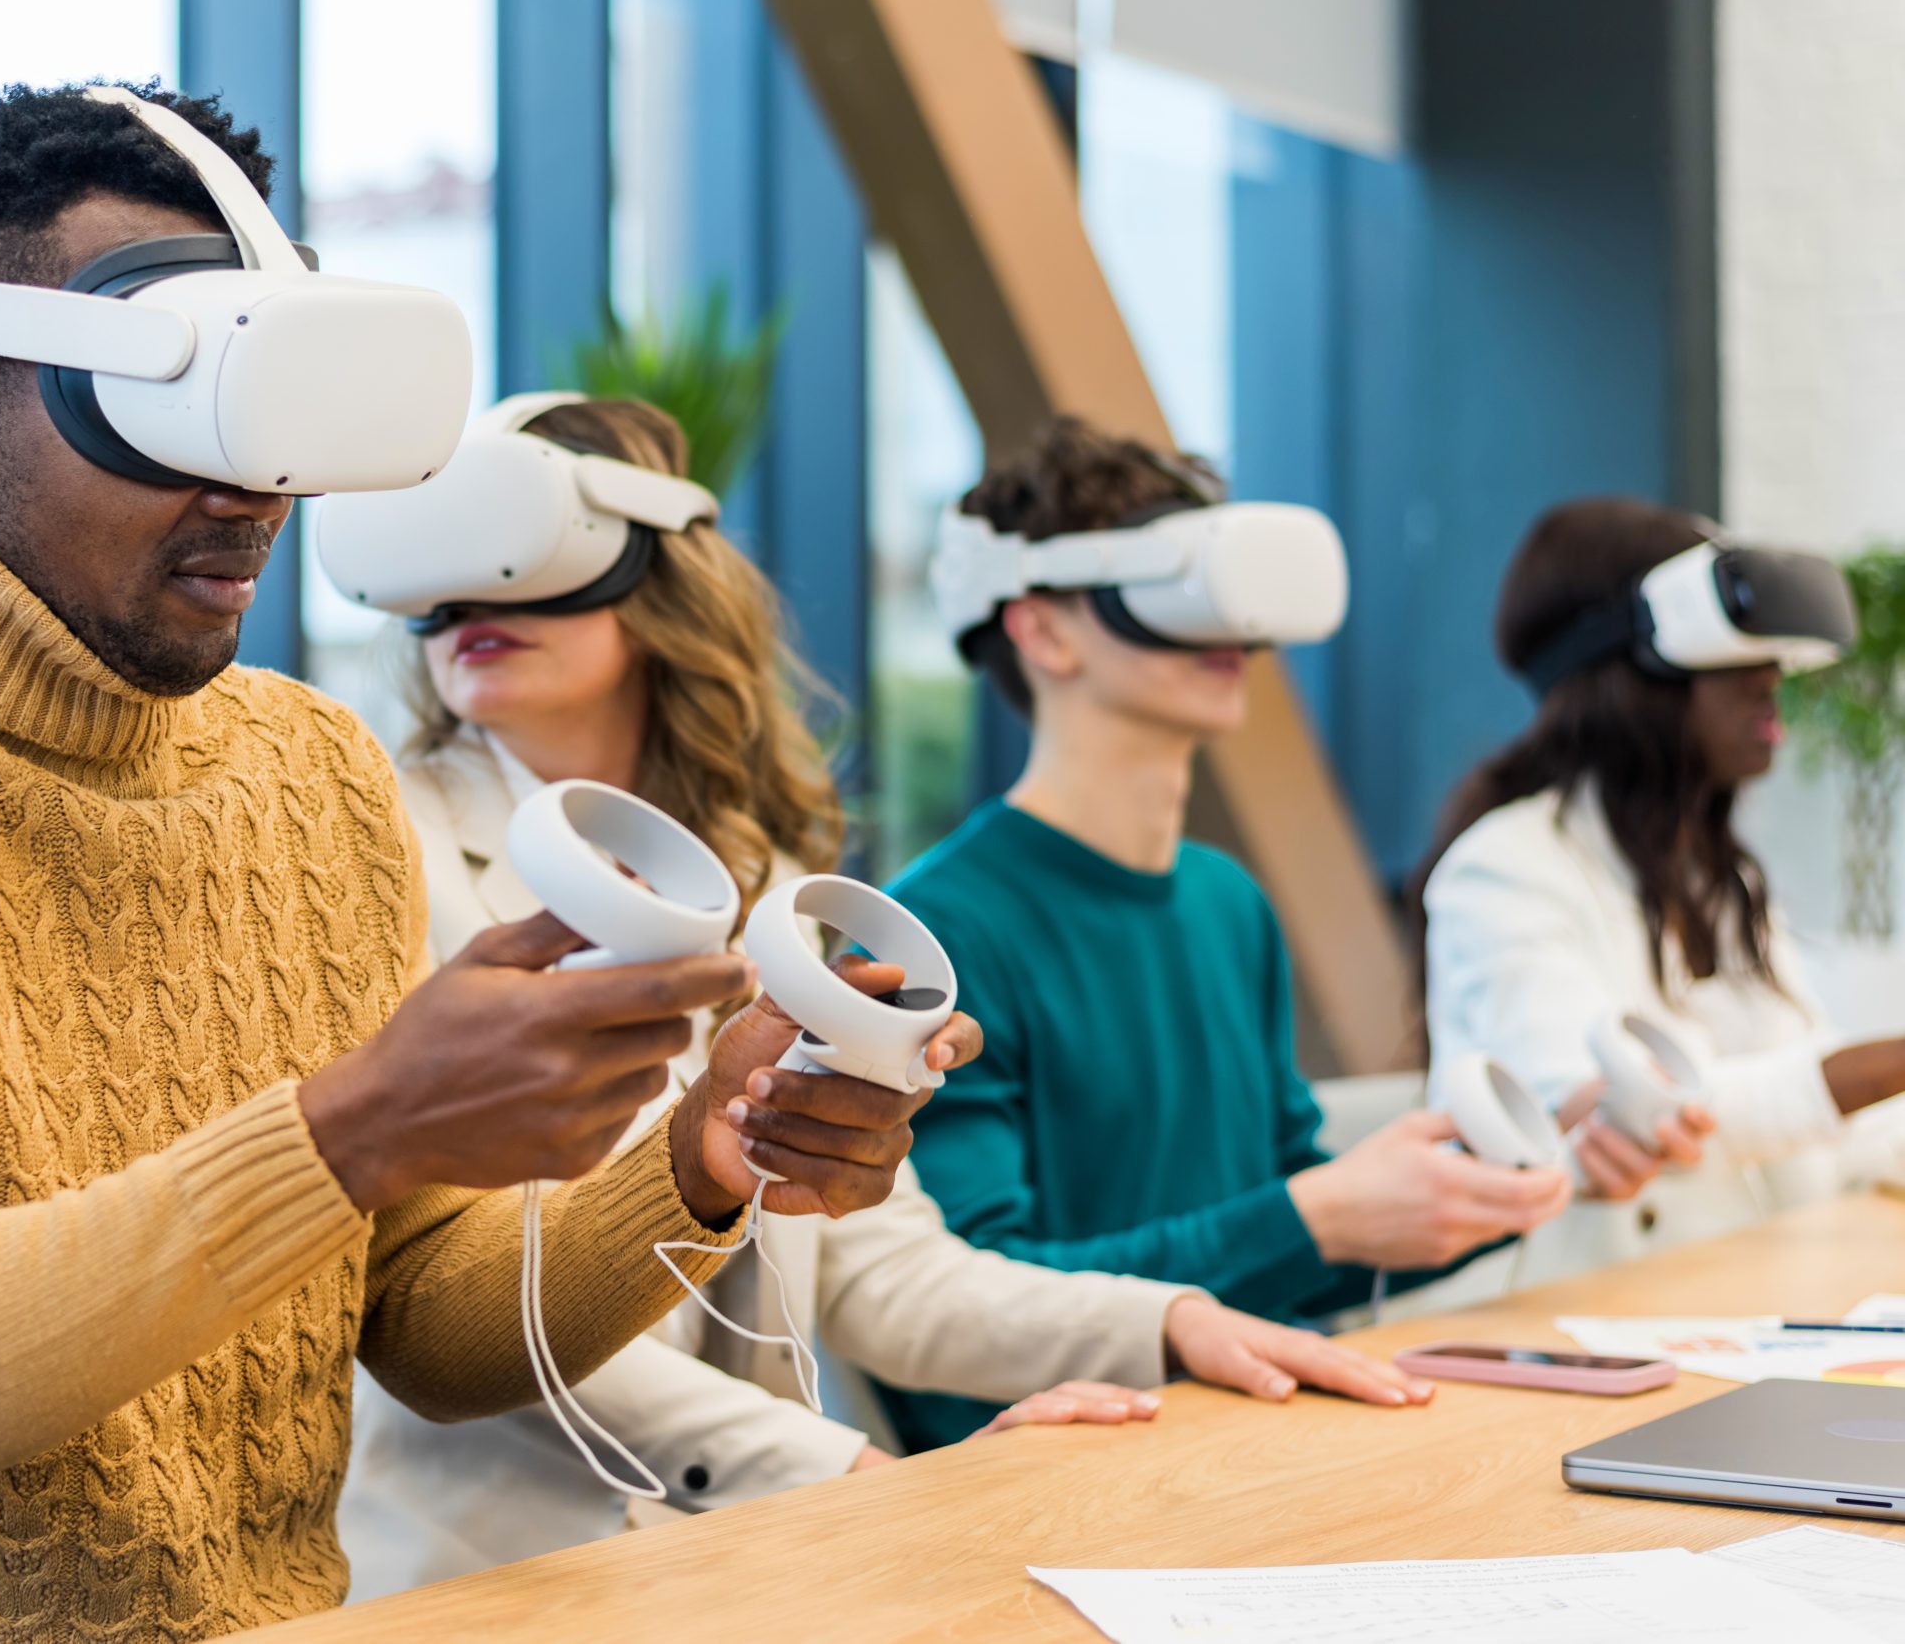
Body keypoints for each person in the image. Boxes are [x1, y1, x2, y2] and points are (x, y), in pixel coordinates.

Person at [0, 83, 944, 1644]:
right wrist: (348, 1130)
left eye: (278, 417)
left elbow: (422, 1319)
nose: (254, 493)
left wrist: (700, 1157)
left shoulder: (311, 767)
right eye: (172, 409)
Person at [334, 396, 1430, 1598]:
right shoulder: (375, 854)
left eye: (522, 558)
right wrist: (850, 1475)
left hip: (735, 1574)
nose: (468, 607)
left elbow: (874, 1262)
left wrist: (1165, 1322)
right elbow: (443, 1292)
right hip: (490, 1573)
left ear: (662, 575)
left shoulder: (767, 892)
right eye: (435, 582)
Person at [880, 417, 1575, 1452]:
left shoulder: (1226, 901)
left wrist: (1469, 1197)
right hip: (1063, 1475)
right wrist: (1318, 1214)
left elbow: (1283, 1234)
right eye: (1171, 586)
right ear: (1041, 630)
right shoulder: (939, 926)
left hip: (1263, 1442)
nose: (1232, 633)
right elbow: (971, 1298)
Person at [1417, 496, 1905, 1283]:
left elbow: (1840, 1130)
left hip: (1754, 1299)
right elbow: (1635, 1114)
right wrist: (1884, 1065)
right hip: (1577, 1328)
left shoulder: (1722, 879)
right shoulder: (1505, 871)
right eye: (1735, 651)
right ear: (1629, 662)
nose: (1769, 679)